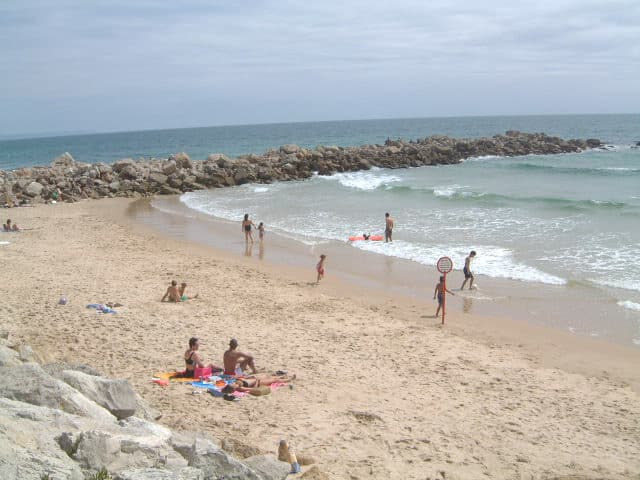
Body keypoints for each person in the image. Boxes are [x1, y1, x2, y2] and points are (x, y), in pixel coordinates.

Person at [223, 372, 296, 392]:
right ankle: (289, 379)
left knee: (270, 377)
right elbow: (254, 389)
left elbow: (243, 379)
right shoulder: (241, 388)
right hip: (259, 382)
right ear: (233, 390)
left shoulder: (235, 383)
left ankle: (282, 376)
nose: (233, 385)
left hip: (254, 378)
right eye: (233, 387)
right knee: (274, 380)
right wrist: (257, 381)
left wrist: (248, 377)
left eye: (232, 385)